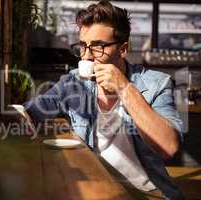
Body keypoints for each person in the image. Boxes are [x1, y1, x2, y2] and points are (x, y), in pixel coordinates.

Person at [23, 1, 184, 199]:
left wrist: (124, 88)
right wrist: (17, 116)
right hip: (97, 188)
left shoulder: (157, 84)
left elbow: (169, 147)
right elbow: (33, 111)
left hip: (150, 193)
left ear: (123, 49)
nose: (87, 57)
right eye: (83, 46)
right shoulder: (74, 82)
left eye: (98, 46)